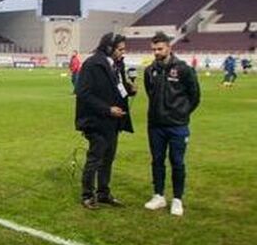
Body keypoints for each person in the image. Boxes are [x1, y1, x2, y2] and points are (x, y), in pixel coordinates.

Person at [75, 33, 135, 209]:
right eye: (120, 49)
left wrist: (130, 90)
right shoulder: (92, 64)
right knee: (95, 159)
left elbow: (118, 87)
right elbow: (83, 93)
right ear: (109, 48)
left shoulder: (116, 64)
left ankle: (103, 193)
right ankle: (87, 195)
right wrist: (107, 109)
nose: (122, 53)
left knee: (108, 159)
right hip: (96, 121)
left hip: (113, 122)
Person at [143, 32, 200, 216]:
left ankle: (177, 199)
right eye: (154, 49)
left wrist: (182, 113)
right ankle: (159, 196)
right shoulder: (149, 70)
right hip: (155, 125)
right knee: (157, 161)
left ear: (169, 47)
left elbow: (195, 96)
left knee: (177, 162)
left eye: (160, 49)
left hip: (177, 125)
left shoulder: (183, 69)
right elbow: (149, 92)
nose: (156, 53)